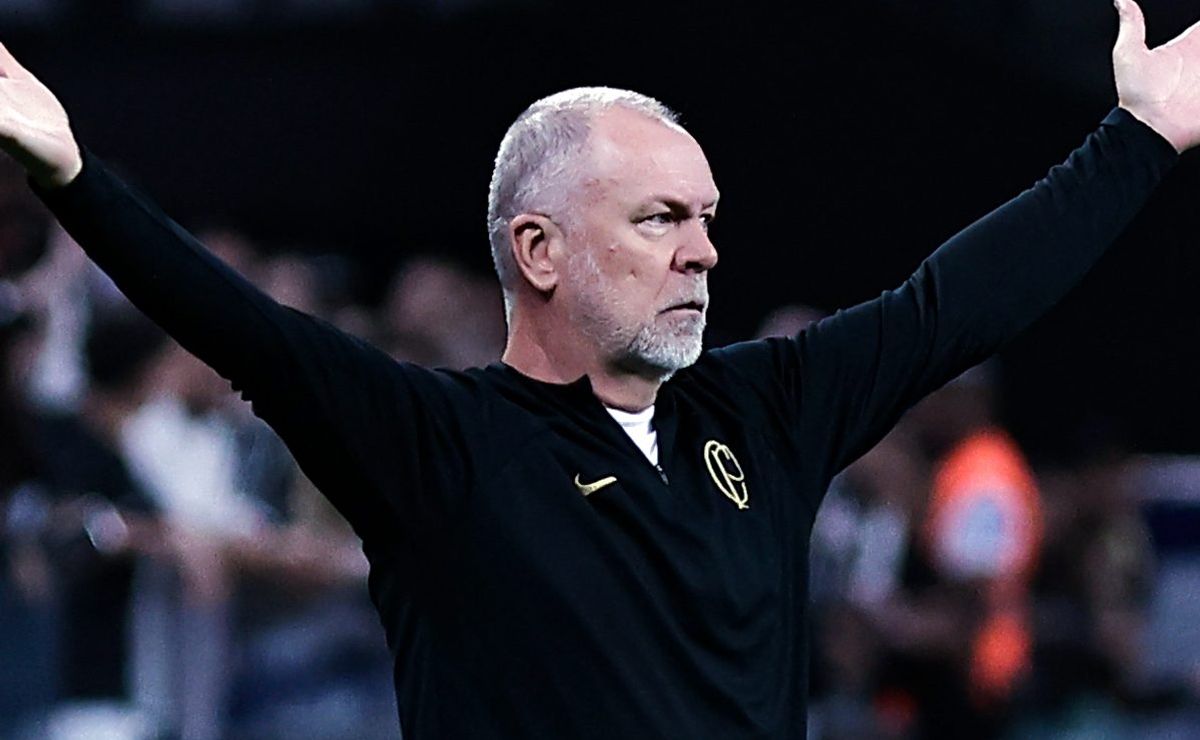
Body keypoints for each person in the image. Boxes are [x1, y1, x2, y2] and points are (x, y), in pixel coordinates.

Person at [0, 1, 1195, 736]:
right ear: (540, 250)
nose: (703, 250)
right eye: (659, 217)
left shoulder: (766, 408)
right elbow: (243, 329)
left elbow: (952, 306)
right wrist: (75, 178)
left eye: (706, 216)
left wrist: (1137, 137)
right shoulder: (439, 445)